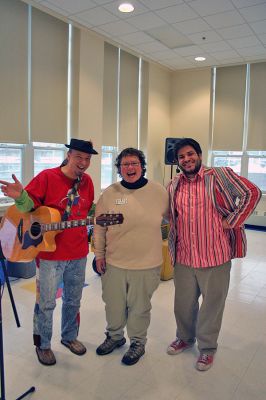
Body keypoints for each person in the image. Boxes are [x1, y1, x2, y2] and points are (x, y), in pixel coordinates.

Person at [0, 138, 98, 366]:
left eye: (87, 159)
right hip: (49, 255)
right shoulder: (47, 177)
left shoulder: (88, 182)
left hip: (79, 253)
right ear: (69, 155)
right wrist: (20, 197)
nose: (83, 163)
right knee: (46, 302)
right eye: (79, 157)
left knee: (74, 300)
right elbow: (27, 208)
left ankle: (69, 337)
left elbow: (84, 211)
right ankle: (42, 345)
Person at [166, 138, 261, 371]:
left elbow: (252, 192)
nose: (186, 159)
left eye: (190, 154)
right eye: (181, 157)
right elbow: (171, 215)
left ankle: (207, 348)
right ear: (177, 161)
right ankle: (185, 339)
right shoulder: (174, 183)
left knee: (212, 305)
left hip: (215, 256)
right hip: (185, 257)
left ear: (199, 154)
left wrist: (234, 220)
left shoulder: (219, 175)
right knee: (183, 304)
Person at [93, 148, 168, 366]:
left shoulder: (159, 192)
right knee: (113, 305)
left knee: (140, 307)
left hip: (147, 264)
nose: (130, 168)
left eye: (134, 163)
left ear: (142, 166)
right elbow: (99, 228)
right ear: (119, 169)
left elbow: (174, 219)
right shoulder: (109, 193)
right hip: (114, 262)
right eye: (125, 164)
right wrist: (99, 255)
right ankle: (115, 337)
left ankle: (138, 342)